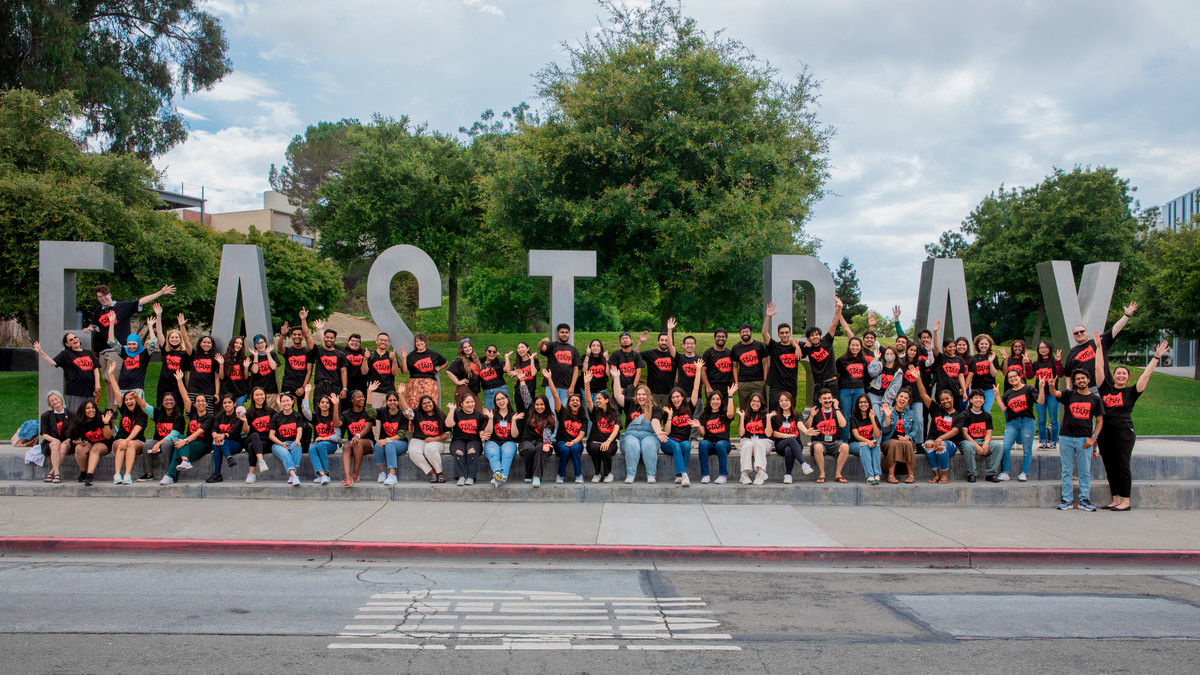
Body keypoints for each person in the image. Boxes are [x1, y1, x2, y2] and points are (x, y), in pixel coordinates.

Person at [1095, 337, 1167, 512]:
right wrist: (1098, 347)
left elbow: (1146, 375)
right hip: (1105, 432)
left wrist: (1156, 357)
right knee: (1110, 465)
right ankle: (1115, 498)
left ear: (1127, 377)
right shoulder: (1105, 388)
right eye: (1118, 373)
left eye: (1124, 374)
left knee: (1122, 465)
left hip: (1123, 432)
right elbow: (1098, 368)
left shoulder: (1131, 392)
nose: (1120, 375)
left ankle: (1126, 500)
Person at [87, 283, 175, 408]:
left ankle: (117, 407)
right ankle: (110, 407)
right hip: (103, 350)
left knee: (114, 378)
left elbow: (141, 301)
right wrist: (88, 328)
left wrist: (160, 293)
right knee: (107, 379)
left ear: (109, 294)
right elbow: (94, 325)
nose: (102, 298)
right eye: (99, 297)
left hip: (117, 349)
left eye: (104, 295)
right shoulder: (98, 310)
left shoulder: (122, 306)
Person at [1044, 362, 1104, 511]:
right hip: (1066, 438)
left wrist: (1093, 438)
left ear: (1088, 380)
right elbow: (1055, 394)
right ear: (1075, 382)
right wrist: (1051, 386)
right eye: (1077, 379)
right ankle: (1067, 500)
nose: (1081, 381)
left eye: (1083, 378)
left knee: (1084, 471)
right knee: (1066, 470)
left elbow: (1099, 421)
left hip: (1085, 440)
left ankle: (1084, 500)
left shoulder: (1095, 399)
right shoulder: (1069, 394)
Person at [1064, 302, 1137, 391]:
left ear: (1087, 332)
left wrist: (1126, 316)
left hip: (1103, 388)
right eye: (1076, 333)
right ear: (1073, 336)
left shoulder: (1098, 341)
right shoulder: (1072, 352)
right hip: (1081, 390)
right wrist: (1068, 389)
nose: (1079, 334)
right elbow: (1067, 373)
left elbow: (1115, 329)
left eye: (1082, 331)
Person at [161, 369, 214, 485]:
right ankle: (184, 461)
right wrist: (179, 380)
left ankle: (170, 475)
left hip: (202, 443)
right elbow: (185, 396)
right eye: (198, 401)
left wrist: (184, 441)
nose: (200, 403)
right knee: (179, 437)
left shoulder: (209, 418)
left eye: (202, 401)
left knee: (178, 446)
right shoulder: (193, 412)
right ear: (195, 404)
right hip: (189, 441)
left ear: (206, 404)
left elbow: (198, 432)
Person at [32, 333, 100, 413]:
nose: (74, 339)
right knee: (75, 415)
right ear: (67, 344)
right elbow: (52, 362)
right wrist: (40, 352)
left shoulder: (88, 353)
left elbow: (95, 369)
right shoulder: (66, 354)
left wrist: (97, 384)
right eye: (71, 339)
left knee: (90, 414)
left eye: (75, 337)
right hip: (74, 391)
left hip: (89, 390)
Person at [996, 368, 1042, 482]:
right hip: (1012, 423)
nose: (1012, 379)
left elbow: (1040, 401)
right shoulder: (1008, 393)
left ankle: (1024, 473)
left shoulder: (1029, 389)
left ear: (1020, 376)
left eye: (1014, 376)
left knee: (1027, 449)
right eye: (1010, 377)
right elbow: (1003, 409)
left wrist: (1041, 387)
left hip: (1027, 422)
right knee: (1005, 447)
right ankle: (1005, 472)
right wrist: (997, 395)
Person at [611, 382, 662, 484]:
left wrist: (659, 432)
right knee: (632, 445)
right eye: (639, 394)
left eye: (644, 394)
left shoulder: (655, 408)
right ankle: (631, 475)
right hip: (631, 434)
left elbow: (655, 421)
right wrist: (616, 378)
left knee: (649, 446)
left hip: (649, 434)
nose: (641, 397)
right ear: (636, 396)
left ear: (648, 396)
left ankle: (651, 475)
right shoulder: (630, 403)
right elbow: (617, 395)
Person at [105, 367, 148, 484]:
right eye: (127, 399)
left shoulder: (143, 415)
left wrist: (127, 440)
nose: (129, 401)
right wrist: (111, 374)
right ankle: (117, 474)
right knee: (121, 444)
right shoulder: (124, 410)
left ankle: (127, 474)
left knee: (129, 444)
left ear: (136, 400)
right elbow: (117, 391)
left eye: (132, 399)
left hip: (136, 441)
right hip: (120, 440)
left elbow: (136, 430)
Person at [800, 298, 844, 408]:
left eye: (817, 335)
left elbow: (834, 325)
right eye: (812, 335)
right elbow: (792, 341)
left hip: (832, 383)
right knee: (817, 409)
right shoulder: (807, 347)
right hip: (819, 385)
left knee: (835, 407)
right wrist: (797, 347)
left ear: (820, 335)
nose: (815, 337)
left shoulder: (827, 342)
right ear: (808, 338)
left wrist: (839, 309)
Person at [915, 379, 961, 485]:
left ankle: (944, 475)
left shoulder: (959, 415)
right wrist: (918, 378)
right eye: (942, 400)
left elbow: (954, 431)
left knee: (941, 446)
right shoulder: (936, 409)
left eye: (947, 398)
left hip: (950, 443)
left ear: (952, 398)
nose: (945, 401)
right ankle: (936, 474)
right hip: (933, 439)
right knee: (927, 445)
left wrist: (940, 438)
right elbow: (923, 394)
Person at [545, 373, 588, 484]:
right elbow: (555, 396)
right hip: (561, 442)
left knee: (573, 448)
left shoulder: (583, 418)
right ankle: (560, 475)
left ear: (580, 404)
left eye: (577, 400)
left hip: (576, 443)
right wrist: (550, 378)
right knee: (564, 449)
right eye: (572, 400)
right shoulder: (562, 412)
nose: (575, 402)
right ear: (568, 403)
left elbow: (581, 435)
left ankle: (578, 475)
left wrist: (572, 442)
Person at [105, 311, 158, 401]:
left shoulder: (144, 354)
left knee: (138, 410)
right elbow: (112, 341)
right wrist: (111, 323)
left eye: (134, 344)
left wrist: (150, 327)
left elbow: (153, 343)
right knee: (124, 412)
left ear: (138, 344)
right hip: (123, 387)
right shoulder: (125, 353)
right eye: (129, 344)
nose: (131, 346)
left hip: (136, 387)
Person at [956, 389, 1004, 482]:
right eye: (976, 398)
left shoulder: (987, 415)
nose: (978, 400)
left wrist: (986, 444)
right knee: (969, 447)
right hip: (967, 442)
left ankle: (991, 474)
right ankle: (972, 474)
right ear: (971, 400)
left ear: (984, 400)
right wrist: (976, 446)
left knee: (998, 447)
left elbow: (989, 432)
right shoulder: (965, 415)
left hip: (982, 440)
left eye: (981, 398)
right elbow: (965, 434)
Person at [661, 380, 702, 487]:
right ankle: (684, 475)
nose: (675, 399)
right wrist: (669, 416)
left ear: (683, 397)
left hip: (683, 441)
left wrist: (698, 369)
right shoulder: (667, 410)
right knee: (676, 446)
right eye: (673, 397)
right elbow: (666, 432)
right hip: (668, 441)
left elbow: (696, 388)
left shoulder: (689, 408)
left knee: (687, 445)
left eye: (678, 396)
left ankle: (679, 476)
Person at [582, 370, 621, 483]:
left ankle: (609, 473)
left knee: (605, 449)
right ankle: (597, 473)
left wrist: (608, 441)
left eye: (599, 399)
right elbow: (588, 400)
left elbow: (616, 428)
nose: (597, 401)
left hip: (610, 443)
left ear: (607, 400)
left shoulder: (615, 413)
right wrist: (586, 384)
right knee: (595, 447)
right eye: (597, 398)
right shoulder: (595, 412)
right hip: (594, 442)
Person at [339, 383, 380, 486]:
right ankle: (347, 476)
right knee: (346, 446)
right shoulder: (346, 413)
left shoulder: (367, 412)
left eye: (363, 396)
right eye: (359, 397)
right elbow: (337, 424)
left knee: (357, 442)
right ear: (352, 400)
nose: (362, 398)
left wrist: (358, 435)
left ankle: (355, 474)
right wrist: (336, 406)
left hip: (368, 443)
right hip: (353, 442)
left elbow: (367, 427)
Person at [141, 388, 186, 482]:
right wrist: (137, 397)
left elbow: (173, 435)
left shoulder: (179, 417)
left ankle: (169, 473)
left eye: (171, 400)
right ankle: (149, 474)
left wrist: (158, 444)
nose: (169, 402)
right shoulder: (158, 413)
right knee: (147, 445)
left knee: (166, 445)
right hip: (158, 440)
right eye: (166, 400)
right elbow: (145, 407)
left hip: (172, 442)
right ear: (162, 402)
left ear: (175, 402)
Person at [446, 393, 491, 486]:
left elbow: (481, 430)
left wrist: (482, 434)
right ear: (462, 404)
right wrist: (451, 410)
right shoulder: (457, 414)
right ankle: (461, 476)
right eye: (467, 402)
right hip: (458, 440)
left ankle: (471, 477)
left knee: (472, 451)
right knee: (459, 452)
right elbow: (449, 424)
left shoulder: (478, 414)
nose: (470, 404)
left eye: (472, 402)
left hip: (474, 440)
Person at [152, 304, 192, 407]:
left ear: (180, 339)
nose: (174, 339)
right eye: (172, 338)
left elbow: (188, 371)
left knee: (177, 409)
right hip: (163, 385)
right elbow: (159, 333)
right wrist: (158, 315)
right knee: (161, 409)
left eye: (176, 337)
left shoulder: (184, 353)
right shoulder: (166, 350)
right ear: (169, 339)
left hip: (177, 386)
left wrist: (187, 387)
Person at [807, 388, 850, 483]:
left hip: (835, 442)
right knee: (817, 447)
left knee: (845, 447)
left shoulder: (837, 412)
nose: (827, 401)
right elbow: (807, 428)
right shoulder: (816, 412)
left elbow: (843, 424)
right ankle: (822, 474)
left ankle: (838, 474)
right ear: (820, 400)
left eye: (829, 398)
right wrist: (811, 416)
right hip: (820, 441)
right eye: (824, 399)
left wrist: (837, 408)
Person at [697, 383, 737, 484]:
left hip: (724, 444)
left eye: (718, 399)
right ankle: (705, 475)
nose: (715, 401)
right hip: (710, 444)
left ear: (721, 401)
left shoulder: (724, 413)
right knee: (702, 443)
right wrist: (698, 425)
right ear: (709, 401)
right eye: (713, 399)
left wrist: (730, 396)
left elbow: (731, 414)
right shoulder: (704, 415)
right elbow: (702, 434)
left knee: (720, 444)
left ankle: (723, 475)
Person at [267, 391, 308, 487]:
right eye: (283, 401)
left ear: (292, 401)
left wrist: (297, 440)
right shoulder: (276, 417)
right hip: (278, 444)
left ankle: (292, 475)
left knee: (297, 447)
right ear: (280, 403)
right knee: (285, 453)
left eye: (288, 401)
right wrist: (281, 444)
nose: (286, 403)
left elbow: (299, 430)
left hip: (292, 441)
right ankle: (294, 476)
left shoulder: (297, 416)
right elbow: (271, 435)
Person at [67, 400, 113, 486]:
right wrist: (79, 442)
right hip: (88, 444)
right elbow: (73, 438)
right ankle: (83, 473)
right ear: (83, 410)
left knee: (95, 449)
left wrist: (106, 423)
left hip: (103, 443)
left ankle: (89, 475)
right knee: (79, 448)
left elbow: (108, 437)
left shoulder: (101, 417)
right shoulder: (79, 421)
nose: (91, 410)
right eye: (88, 408)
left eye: (93, 407)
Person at [636, 318, 680, 407]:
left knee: (667, 415)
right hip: (653, 392)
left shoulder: (674, 355)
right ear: (658, 341)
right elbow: (635, 356)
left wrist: (670, 329)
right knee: (652, 416)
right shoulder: (650, 354)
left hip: (669, 392)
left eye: (666, 340)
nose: (664, 342)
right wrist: (640, 342)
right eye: (662, 340)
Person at [770, 390, 811, 484]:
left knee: (789, 449)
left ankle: (788, 475)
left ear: (791, 402)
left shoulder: (797, 415)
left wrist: (805, 431)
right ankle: (803, 464)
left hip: (796, 445)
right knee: (790, 440)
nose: (784, 403)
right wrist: (786, 436)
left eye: (786, 400)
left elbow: (800, 424)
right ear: (778, 403)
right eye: (781, 401)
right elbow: (774, 433)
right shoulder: (775, 417)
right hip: (780, 444)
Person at [208, 394, 249, 483]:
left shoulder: (238, 416)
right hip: (221, 443)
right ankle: (229, 458)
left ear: (234, 404)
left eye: (229, 402)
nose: (227, 405)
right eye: (225, 403)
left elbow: (234, 431)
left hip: (235, 444)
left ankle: (217, 474)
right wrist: (215, 434)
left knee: (218, 442)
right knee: (217, 443)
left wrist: (222, 436)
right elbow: (214, 428)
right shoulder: (219, 416)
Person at [374, 388, 412, 487]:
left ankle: (392, 475)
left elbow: (401, 435)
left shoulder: (402, 415)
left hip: (401, 444)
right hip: (386, 442)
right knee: (378, 445)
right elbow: (370, 412)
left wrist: (387, 440)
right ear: (386, 402)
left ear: (398, 402)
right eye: (390, 400)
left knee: (389, 443)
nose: (392, 402)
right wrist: (369, 392)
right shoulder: (383, 411)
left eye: (395, 400)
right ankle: (382, 473)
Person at [880, 390, 919, 484]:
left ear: (908, 401)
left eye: (906, 398)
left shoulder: (912, 413)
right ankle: (891, 475)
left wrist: (907, 437)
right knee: (895, 444)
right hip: (889, 441)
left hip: (905, 440)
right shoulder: (889, 411)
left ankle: (911, 475)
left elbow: (915, 430)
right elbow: (885, 431)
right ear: (896, 398)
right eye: (901, 396)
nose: (903, 399)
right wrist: (888, 417)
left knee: (909, 444)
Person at [305, 387, 341, 486]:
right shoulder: (315, 417)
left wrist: (324, 438)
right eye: (322, 402)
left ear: (330, 405)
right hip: (318, 443)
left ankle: (326, 473)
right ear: (318, 404)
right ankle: (321, 474)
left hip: (331, 444)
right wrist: (307, 393)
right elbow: (305, 410)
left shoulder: (333, 418)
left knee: (321, 446)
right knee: (312, 449)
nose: (325, 404)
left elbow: (337, 437)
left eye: (327, 403)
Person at [517, 395, 555, 487]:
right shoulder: (530, 411)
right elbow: (525, 395)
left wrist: (546, 443)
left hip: (542, 442)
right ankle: (529, 474)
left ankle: (537, 476)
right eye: (537, 404)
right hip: (527, 441)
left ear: (546, 405)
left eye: (542, 404)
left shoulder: (550, 418)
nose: (539, 407)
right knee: (529, 449)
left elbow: (547, 431)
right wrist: (522, 380)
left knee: (540, 448)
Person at [409, 395, 449, 483]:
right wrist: (401, 394)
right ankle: (432, 473)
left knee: (430, 449)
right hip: (418, 440)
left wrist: (434, 439)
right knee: (413, 452)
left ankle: (440, 473)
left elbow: (448, 433)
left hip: (437, 441)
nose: (427, 405)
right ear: (421, 405)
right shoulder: (417, 413)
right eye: (424, 403)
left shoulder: (441, 415)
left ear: (433, 403)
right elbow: (406, 412)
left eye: (429, 402)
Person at [835, 337, 868, 441]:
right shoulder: (841, 360)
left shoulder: (864, 360)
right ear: (849, 346)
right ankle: (844, 439)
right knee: (844, 415)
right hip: (845, 390)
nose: (855, 347)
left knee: (857, 414)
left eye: (857, 345)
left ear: (860, 347)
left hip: (859, 389)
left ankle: (855, 438)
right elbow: (837, 375)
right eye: (853, 345)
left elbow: (865, 376)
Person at [306, 319, 348, 403]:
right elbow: (307, 336)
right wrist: (304, 320)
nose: (329, 339)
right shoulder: (318, 351)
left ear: (335, 340)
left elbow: (344, 372)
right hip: (320, 386)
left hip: (335, 386)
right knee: (319, 411)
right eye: (327, 337)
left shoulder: (340, 354)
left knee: (335, 411)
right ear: (324, 338)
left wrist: (344, 388)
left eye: (331, 338)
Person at [730, 321, 769, 412]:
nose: (745, 333)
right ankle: (744, 425)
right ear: (740, 334)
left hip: (758, 381)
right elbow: (735, 366)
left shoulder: (759, 345)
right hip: (743, 383)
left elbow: (766, 363)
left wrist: (765, 379)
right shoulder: (736, 348)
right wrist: (736, 382)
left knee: (761, 407)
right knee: (745, 408)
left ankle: (762, 425)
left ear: (751, 332)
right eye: (742, 332)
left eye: (746, 331)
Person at [483, 389, 519, 486]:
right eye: (498, 399)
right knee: (493, 453)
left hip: (508, 441)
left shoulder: (513, 415)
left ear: (507, 399)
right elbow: (488, 432)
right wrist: (490, 419)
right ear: (495, 402)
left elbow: (514, 435)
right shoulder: (491, 413)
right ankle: (498, 473)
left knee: (507, 453)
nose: (501, 401)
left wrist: (514, 422)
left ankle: (497, 479)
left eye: (503, 398)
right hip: (493, 441)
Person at [1031, 340, 1063, 449]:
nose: (1043, 350)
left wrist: (1058, 362)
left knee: (1054, 419)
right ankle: (1043, 440)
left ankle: (1053, 441)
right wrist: (1026, 363)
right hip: (1039, 394)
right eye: (1041, 348)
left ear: (1049, 348)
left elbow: (1060, 374)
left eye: (1045, 347)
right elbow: (1030, 375)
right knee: (1041, 419)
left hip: (1052, 393)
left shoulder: (1054, 362)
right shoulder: (1036, 364)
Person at [276, 310, 313, 401]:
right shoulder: (288, 351)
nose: (297, 336)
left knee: (302, 411)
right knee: (285, 408)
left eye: (299, 334)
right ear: (291, 336)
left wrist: (303, 387)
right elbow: (280, 348)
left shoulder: (307, 352)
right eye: (295, 334)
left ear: (303, 336)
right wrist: (282, 335)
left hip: (300, 386)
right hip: (287, 385)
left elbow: (309, 371)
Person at [539, 324, 581, 405]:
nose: (564, 334)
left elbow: (576, 369)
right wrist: (542, 342)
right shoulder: (552, 346)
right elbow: (541, 348)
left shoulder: (573, 350)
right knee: (552, 412)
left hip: (566, 387)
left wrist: (572, 386)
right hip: (551, 385)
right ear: (558, 333)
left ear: (569, 334)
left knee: (565, 412)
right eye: (562, 332)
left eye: (566, 332)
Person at [737, 392, 773, 485]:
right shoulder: (745, 415)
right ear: (750, 402)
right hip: (748, 440)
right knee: (748, 444)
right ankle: (744, 474)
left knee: (758, 443)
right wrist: (741, 417)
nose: (755, 403)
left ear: (761, 403)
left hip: (763, 442)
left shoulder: (766, 415)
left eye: (758, 401)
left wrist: (768, 419)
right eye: (753, 401)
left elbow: (768, 434)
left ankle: (761, 472)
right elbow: (741, 433)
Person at [847, 394, 883, 485]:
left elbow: (877, 435)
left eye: (865, 402)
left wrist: (872, 419)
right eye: (861, 402)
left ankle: (877, 474)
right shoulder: (853, 418)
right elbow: (856, 435)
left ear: (869, 403)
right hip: (855, 444)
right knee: (865, 446)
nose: (863, 404)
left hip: (870, 443)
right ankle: (869, 476)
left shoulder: (873, 416)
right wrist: (868, 441)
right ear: (857, 404)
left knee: (876, 446)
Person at [406, 333, 448, 410]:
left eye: (421, 341)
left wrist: (437, 370)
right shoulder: (411, 356)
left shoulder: (433, 354)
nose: (419, 343)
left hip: (429, 384)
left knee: (429, 405)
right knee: (414, 405)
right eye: (417, 341)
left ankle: (430, 421)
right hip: (415, 384)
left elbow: (445, 363)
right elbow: (405, 370)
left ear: (425, 342)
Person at [242, 387, 275, 483]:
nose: (259, 397)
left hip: (265, 442)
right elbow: (245, 432)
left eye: (261, 394)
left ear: (265, 396)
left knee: (252, 446)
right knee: (254, 435)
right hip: (251, 438)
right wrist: (244, 422)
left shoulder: (270, 411)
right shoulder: (248, 412)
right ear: (252, 397)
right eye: (257, 395)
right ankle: (261, 461)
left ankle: (251, 474)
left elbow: (279, 421)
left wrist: (280, 406)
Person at [365, 332, 404, 412]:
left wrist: (394, 360)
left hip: (389, 392)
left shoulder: (391, 356)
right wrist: (365, 359)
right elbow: (364, 372)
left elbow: (395, 373)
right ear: (376, 341)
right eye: (381, 340)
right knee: (375, 419)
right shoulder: (371, 355)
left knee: (389, 419)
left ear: (388, 343)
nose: (383, 342)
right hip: (375, 392)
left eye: (386, 341)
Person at [38, 391, 72, 484]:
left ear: (61, 399)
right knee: (55, 445)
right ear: (50, 403)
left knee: (64, 447)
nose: (55, 402)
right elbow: (44, 434)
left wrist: (68, 440)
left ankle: (51, 472)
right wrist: (54, 440)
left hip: (67, 441)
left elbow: (74, 431)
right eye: (52, 401)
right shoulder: (45, 416)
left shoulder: (71, 413)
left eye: (56, 399)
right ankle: (57, 473)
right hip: (51, 441)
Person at [964, 334, 1001, 412]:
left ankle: (985, 424)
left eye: (986, 344)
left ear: (989, 345)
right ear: (977, 344)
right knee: (975, 410)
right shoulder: (973, 358)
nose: (984, 346)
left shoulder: (992, 356)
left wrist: (990, 362)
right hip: (976, 388)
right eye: (981, 344)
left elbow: (994, 374)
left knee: (986, 410)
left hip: (989, 388)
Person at [866, 346, 904, 416]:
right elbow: (872, 372)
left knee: (886, 421)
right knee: (877, 417)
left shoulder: (898, 371)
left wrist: (886, 401)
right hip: (874, 395)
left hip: (887, 398)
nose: (889, 356)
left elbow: (894, 388)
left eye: (891, 354)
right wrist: (876, 359)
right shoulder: (880, 365)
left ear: (895, 356)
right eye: (887, 354)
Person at [184, 331, 220, 406]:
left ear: (212, 345)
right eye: (204, 342)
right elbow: (186, 342)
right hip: (193, 390)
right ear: (200, 343)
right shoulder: (194, 354)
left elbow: (216, 377)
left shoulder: (215, 358)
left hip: (208, 391)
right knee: (192, 414)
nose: (206, 344)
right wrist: (182, 326)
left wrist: (216, 393)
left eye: (209, 343)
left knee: (207, 416)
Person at [608, 332, 644, 403]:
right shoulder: (616, 354)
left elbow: (638, 372)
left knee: (632, 412)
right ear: (620, 343)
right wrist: (618, 388)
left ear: (631, 340)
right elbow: (613, 372)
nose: (625, 340)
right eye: (622, 339)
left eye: (627, 338)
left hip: (631, 388)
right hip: (618, 388)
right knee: (616, 412)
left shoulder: (636, 355)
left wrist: (633, 387)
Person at [505, 342, 540, 415]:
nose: (520, 349)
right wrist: (517, 375)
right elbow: (515, 381)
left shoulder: (534, 361)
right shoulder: (516, 363)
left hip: (530, 391)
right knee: (520, 414)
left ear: (527, 348)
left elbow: (533, 373)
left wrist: (532, 360)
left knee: (530, 413)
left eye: (522, 347)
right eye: (518, 348)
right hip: (519, 393)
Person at [700, 328, 734, 401]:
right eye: (718, 336)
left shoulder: (730, 353)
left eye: (723, 336)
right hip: (713, 387)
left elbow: (733, 370)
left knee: (726, 410)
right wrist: (708, 387)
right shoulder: (708, 353)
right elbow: (702, 370)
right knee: (712, 410)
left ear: (726, 339)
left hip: (726, 388)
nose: (720, 338)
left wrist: (733, 385)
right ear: (714, 338)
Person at [247, 334, 279, 408]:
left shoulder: (272, 354)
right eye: (257, 343)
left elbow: (273, 367)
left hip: (271, 390)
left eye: (262, 342)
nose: (260, 345)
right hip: (257, 390)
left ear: (265, 343)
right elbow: (254, 371)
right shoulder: (252, 357)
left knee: (272, 413)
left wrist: (268, 353)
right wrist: (256, 357)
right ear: (255, 345)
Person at [446, 338, 482, 407]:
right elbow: (449, 372)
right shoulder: (459, 361)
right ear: (461, 350)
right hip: (464, 390)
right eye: (465, 347)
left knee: (478, 413)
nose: (468, 348)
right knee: (464, 414)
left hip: (474, 391)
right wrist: (457, 382)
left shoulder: (474, 359)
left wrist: (495, 353)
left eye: (469, 346)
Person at [218, 335, 249, 407]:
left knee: (238, 413)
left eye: (240, 344)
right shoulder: (224, 358)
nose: (238, 345)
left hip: (240, 392)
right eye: (236, 343)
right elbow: (221, 377)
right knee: (228, 414)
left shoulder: (244, 358)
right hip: (226, 392)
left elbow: (246, 378)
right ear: (232, 344)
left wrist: (246, 368)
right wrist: (221, 364)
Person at [477, 344, 508, 411]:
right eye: (489, 351)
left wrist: (506, 357)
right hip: (487, 392)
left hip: (500, 389)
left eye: (494, 352)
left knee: (504, 411)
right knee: (490, 413)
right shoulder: (480, 363)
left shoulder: (498, 362)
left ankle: (505, 422)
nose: (492, 353)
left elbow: (507, 369)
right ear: (485, 352)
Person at [580, 339, 609, 405]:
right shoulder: (585, 357)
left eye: (598, 346)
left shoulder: (603, 358)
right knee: (587, 411)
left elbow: (608, 373)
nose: (595, 347)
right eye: (593, 346)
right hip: (587, 389)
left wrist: (606, 359)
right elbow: (584, 370)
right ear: (590, 348)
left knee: (599, 410)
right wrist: (587, 355)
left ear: (601, 348)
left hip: (600, 390)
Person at [674, 334, 703, 398]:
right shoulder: (680, 358)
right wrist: (670, 329)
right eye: (687, 343)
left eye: (692, 343)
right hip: (683, 396)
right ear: (683, 345)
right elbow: (670, 346)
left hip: (697, 396)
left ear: (695, 345)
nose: (690, 345)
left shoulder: (700, 359)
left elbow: (704, 375)